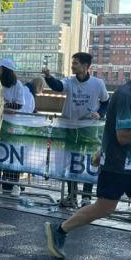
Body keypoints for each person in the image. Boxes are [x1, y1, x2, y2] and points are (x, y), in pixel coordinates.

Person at [45, 60, 131, 260]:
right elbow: (123, 137)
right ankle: (59, 230)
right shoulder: (125, 96)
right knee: (104, 207)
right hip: (118, 164)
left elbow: (113, 127)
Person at [43, 52, 110, 208]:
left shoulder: (98, 83)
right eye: (72, 63)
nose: (72, 66)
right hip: (70, 127)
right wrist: (48, 76)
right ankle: (71, 195)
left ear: (86, 66)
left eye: (76, 63)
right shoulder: (70, 81)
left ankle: (86, 197)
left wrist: (99, 113)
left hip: (89, 127)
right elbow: (58, 87)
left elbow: (106, 102)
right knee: (71, 161)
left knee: (90, 162)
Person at [0, 58, 25, 197]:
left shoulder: (17, 85)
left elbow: (19, 104)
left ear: (4, 70)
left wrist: (3, 106)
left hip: (10, 124)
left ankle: (11, 183)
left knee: (11, 153)